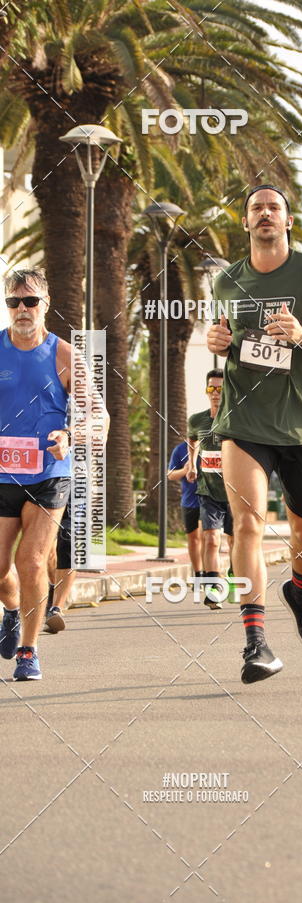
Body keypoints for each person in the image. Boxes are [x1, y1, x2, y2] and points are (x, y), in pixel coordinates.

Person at [206, 185, 302, 683]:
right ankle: (256, 644)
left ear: (288, 221)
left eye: (274, 207)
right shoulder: (227, 281)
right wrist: (219, 342)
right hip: (244, 422)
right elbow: (231, 340)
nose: (265, 214)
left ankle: (299, 589)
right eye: (256, 208)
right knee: (246, 524)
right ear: (246, 223)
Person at [0, 268, 109, 679]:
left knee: (30, 560)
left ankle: (29, 650)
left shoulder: (64, 354)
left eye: (31, 301)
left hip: (49, 474)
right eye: (14, 301)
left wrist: (70, 434)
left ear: (46, 305)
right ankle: (12, 611)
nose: (22, 309)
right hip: (2, 475)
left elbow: (99, 416)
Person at [187, 369, 233, 610]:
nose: (215, 393)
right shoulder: (197, 419)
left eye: (220, 388)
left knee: (235, 542)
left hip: (235, 491)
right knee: (211, 539)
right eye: (211, 388)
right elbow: (191, 440)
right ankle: (214, 589)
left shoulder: (236, 417)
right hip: (208, 490)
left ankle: (235, 578)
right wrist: (190, 463)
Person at [167, 441, 203, 581]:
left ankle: (209, 573)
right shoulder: (180, 449)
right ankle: (198, 574)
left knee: (208, 537)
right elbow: (170, 475)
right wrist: (184, 470)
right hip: (190, 501)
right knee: (194, 539)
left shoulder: (212, 446)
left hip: (210, 500)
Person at [44, 495, 76, 633]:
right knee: (47, 551)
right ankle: (53, 589)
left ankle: (56, 609)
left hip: (74, 488)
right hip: (43, 484)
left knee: (68, 544)